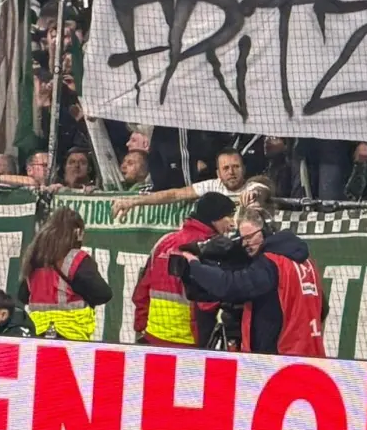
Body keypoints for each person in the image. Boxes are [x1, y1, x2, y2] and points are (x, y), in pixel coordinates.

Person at [173, 208, 326, 356]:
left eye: (249, 237)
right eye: (243, 239)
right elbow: (323, 309)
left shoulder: (271, 263)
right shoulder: (306, 262)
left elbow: (230, 286)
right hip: (311, 354)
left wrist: (195, 266)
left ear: (265, 231)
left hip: (282, 357)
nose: (245, 244)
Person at [132, 191, 236, 347]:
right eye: (229, 217)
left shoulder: (164, 242)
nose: (233, 224)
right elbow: (208, 303)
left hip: (154, 337)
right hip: (188, 343)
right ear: (215, 218)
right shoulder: (210, 248)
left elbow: (142, 289)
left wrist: (140, 326)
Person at [17, 207, 112, 340]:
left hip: (38, 333)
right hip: (71, 334)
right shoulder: (75, 259)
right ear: (77, 232)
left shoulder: (33, 259)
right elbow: (104, 294)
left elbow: (22, 296)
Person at [112, 148, 248, 219]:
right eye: (226, 168)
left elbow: (259, 190)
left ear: (244, 169)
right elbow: (174, 194)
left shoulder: (253, 188)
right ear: (218, 173)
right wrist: (134, 201)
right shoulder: (212, 186)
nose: (231, 172)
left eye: (236, 167)